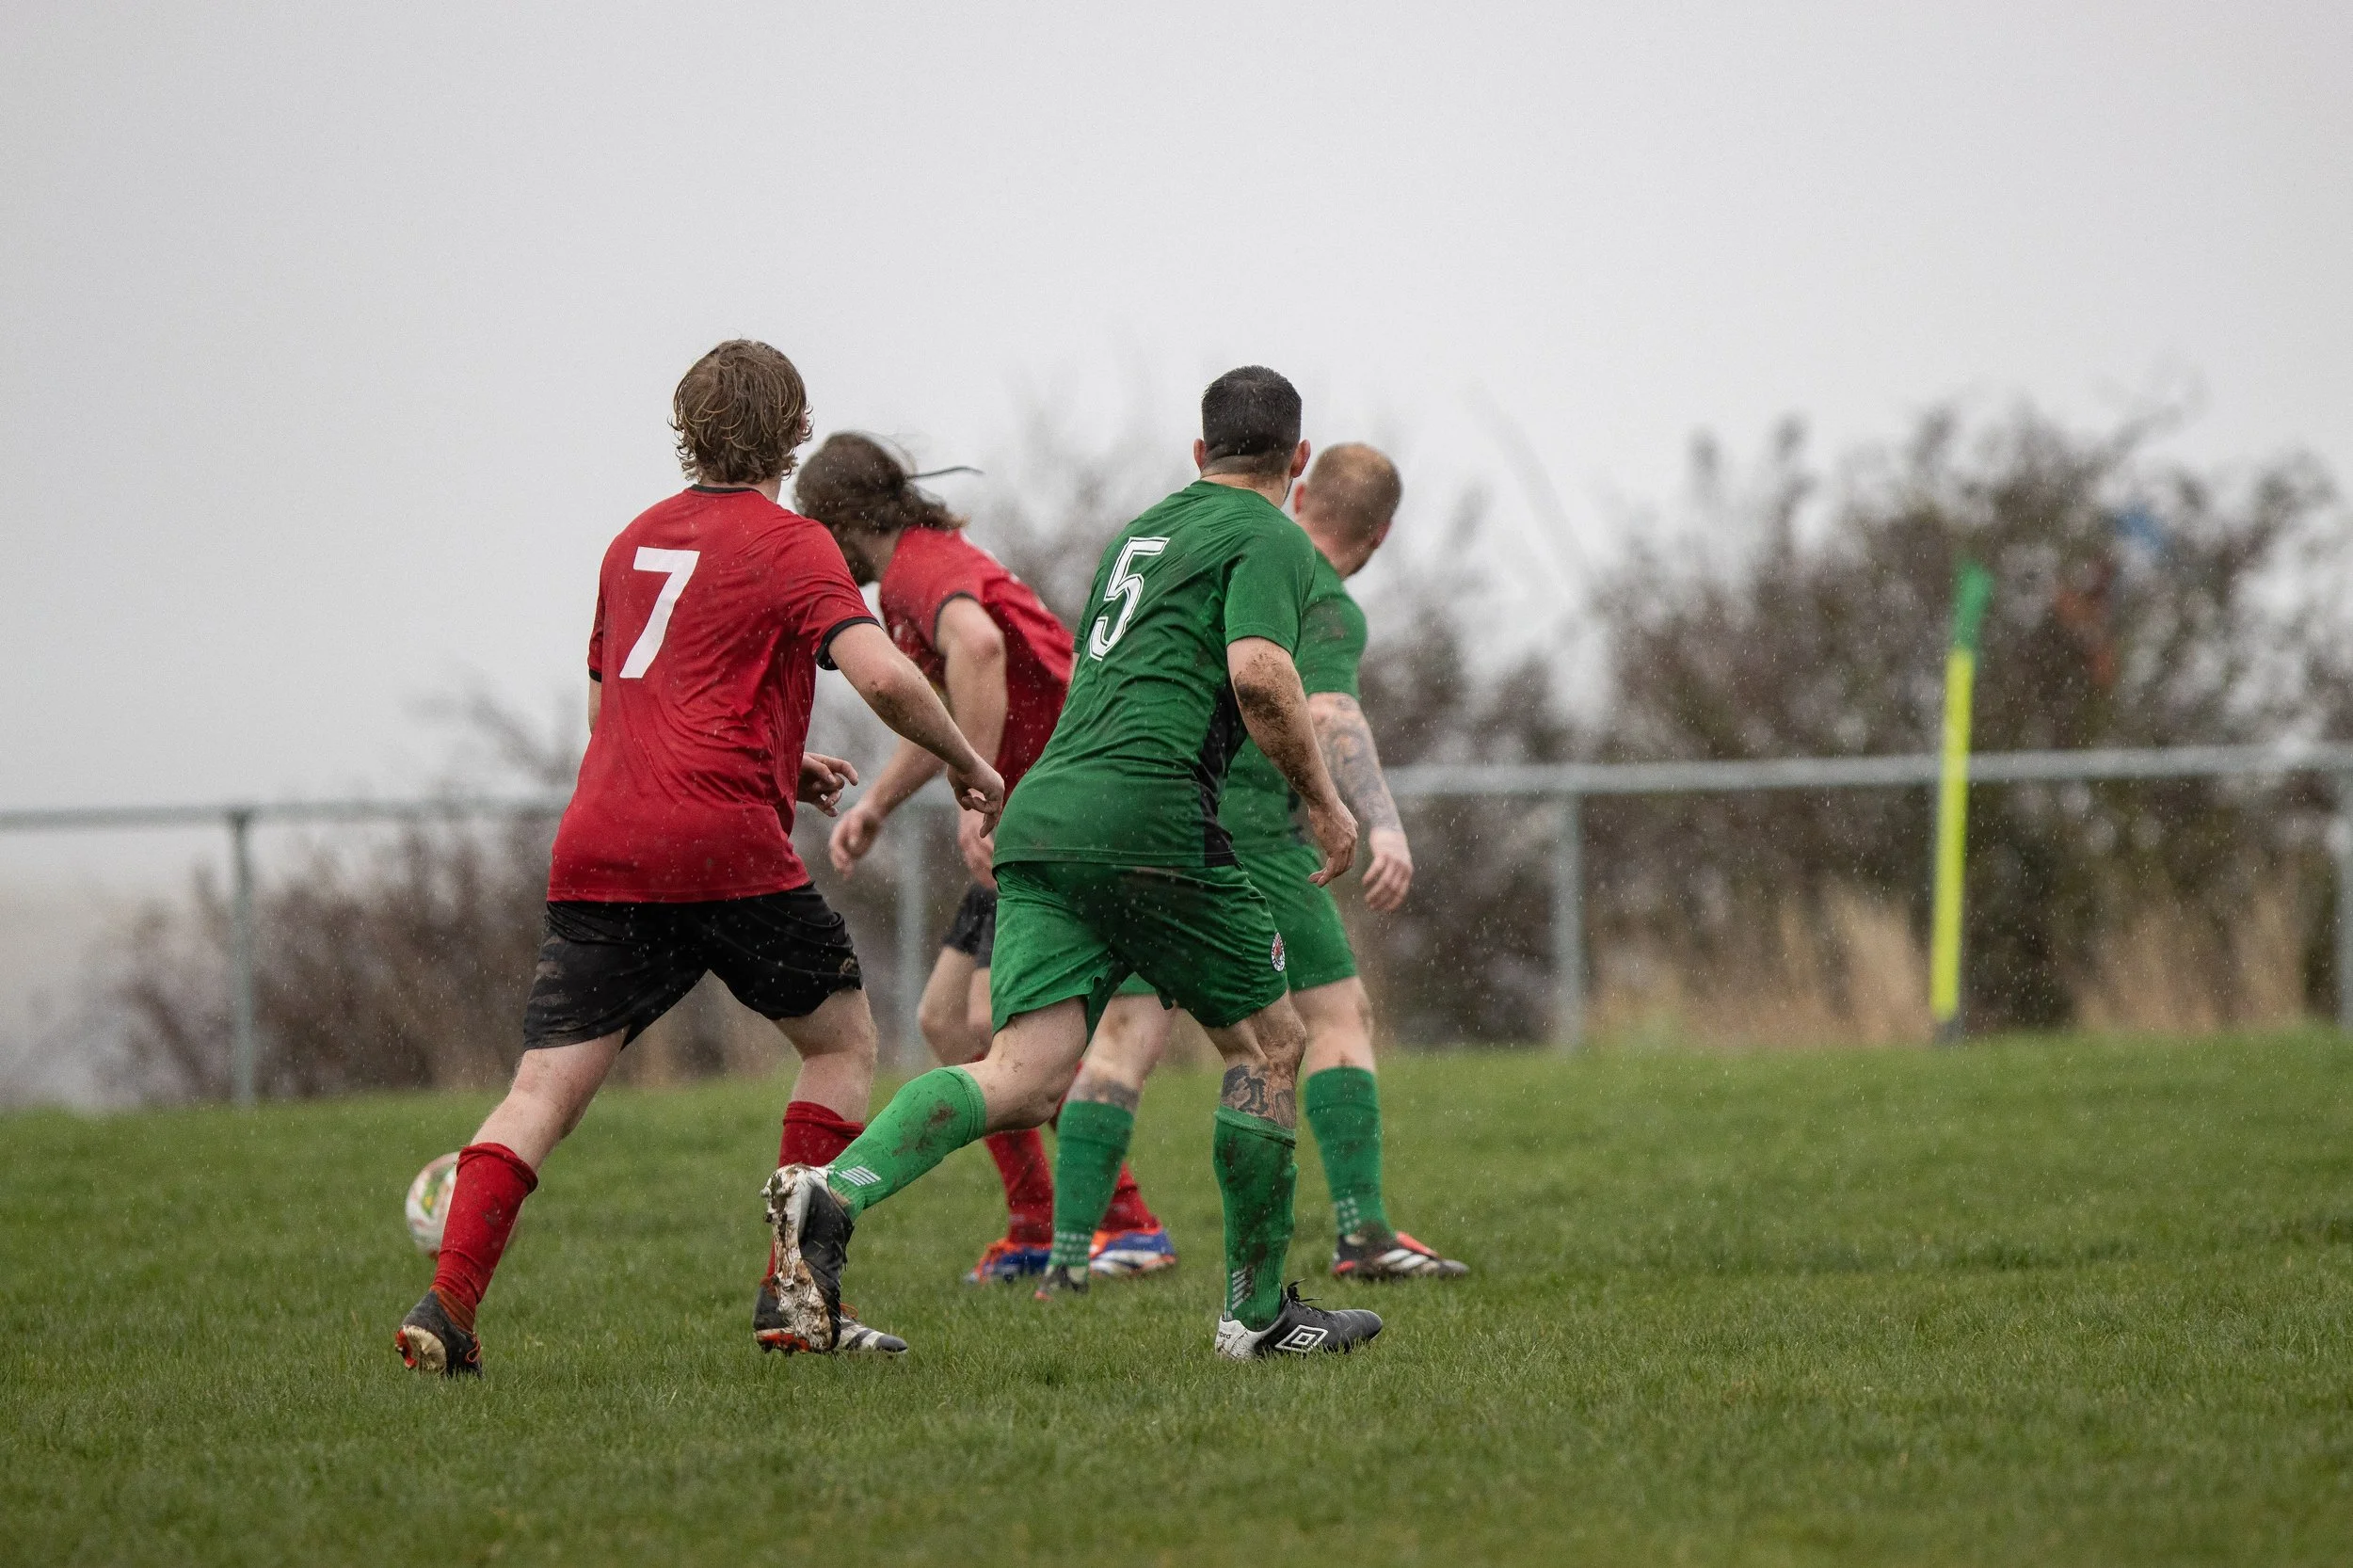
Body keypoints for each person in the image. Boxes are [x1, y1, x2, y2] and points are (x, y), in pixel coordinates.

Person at [393, 340, 1005, 1378]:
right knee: (843, 1040)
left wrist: (777, 757)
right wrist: (966, 760)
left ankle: (446, 1308)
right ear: (797, 434)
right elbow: (889, 680)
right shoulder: (793, 542)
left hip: (604, 839)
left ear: (685, 428)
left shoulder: (630, 543)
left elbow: (615, 712)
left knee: (540, 1093)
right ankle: (792, 1293)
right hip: (718, 840)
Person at [762, 366, 1385, 1359]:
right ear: (1296, 464)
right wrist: (1325, 803)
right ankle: (1258, 1316)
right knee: (1269, 1043)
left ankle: (832, 1196)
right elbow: (1263, 674)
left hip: (1042, 818)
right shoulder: (1269, 534)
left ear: (1197, 454)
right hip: (1151, 818)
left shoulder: (1140, 531)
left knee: (1023, 1073)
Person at [1042, 444, 1467, 1295]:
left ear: (1303, 490)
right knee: (1336, 1020)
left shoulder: (1199, 552)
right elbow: (1329, 709)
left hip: (1137, 822)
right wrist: (1381, 826)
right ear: (1380, 536)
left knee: (1125, 1039)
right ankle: (1361, 1235)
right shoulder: (1323, 594)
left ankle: (1065, 1261)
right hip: (1248, 838)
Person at [797, 435, 1175, 1287]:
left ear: (846, 521)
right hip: (1039, 800)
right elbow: (945, 709)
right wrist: (878, 806)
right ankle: (1040, 1224)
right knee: (947, 1018)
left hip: (1054, 808)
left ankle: (1123, 1222)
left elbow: (978, 651)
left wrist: (984, 790)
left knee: (1014, 1039)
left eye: (816, 535)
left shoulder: (916, 572)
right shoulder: (925, 567)